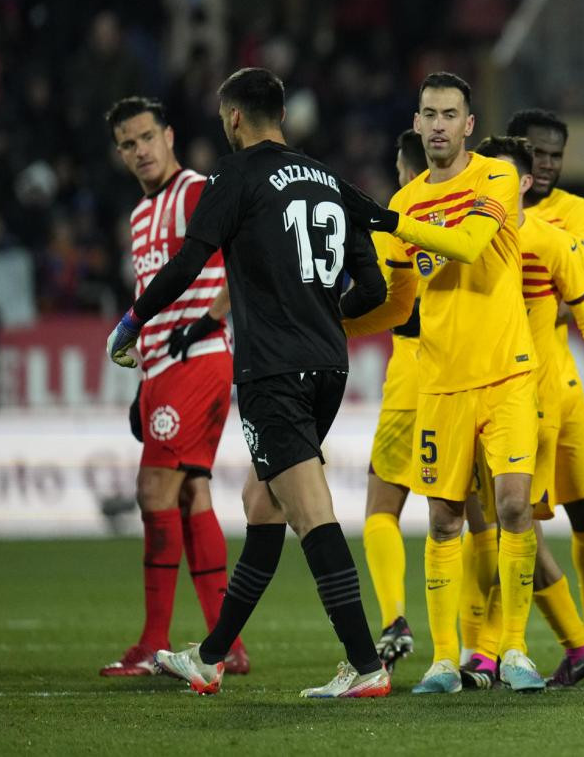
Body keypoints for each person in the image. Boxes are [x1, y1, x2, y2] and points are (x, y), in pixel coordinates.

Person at [105, 67, 389, 698]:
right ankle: (209, 657)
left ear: (232, 118)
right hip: (329, 366)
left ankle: (366, 666)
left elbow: (186, 264)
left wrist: (132, 321)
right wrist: (320, 313)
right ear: (281, 114)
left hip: (274, 372)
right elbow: (373, 290)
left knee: (312, 513)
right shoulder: (329, 181)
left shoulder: (233, 175)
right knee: (261, 504)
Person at [339, 72, 545, 693]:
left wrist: (392, 221)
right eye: (427, 113)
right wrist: (329, 325)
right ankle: (443, 660)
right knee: (444, 520)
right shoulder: (403, 205)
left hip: (507, 371)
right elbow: (399, 305)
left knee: (512, 505)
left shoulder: (494, 178)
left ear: (468, 125)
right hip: (439, 382)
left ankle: (514, 649)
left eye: (448, 114)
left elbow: (469, 243)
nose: (436, 125)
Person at [456, 136, 584, 689]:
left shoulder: (545, 240)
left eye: (505, 177)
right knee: (490, 523)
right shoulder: (470, 238)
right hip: (478, 394)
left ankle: (539, 646)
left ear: (527, 183)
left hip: (529, 400)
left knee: (508, 525)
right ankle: (499, 650)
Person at [98, 96, 247, 679]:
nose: (139, 151)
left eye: (145, 138)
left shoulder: (195, 191)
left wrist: (209, 320)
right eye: (127, 144)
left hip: (201, 358)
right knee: (191, 495)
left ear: (168, 134)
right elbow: (153, 300)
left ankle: (150, 644)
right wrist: (144, 380)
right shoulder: (139, 217)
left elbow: (242, 257)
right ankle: (227, 644)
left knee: (153, 491)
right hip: (162, 368)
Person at [505, 109, 584, 678]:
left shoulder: (575, 212)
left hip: (564, 381)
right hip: (513, 382)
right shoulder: (490, 213)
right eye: (537, 153)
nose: (548, 163)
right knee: (513, 517)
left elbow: (570, 293)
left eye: (556, 154)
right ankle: (510, 643)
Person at [356, 129, 427, 671]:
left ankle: (394, 617)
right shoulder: (476, 210)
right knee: (468, 518)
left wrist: (336, 325)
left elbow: (392, 304)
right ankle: (483, 650)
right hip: (469, 376)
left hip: (410, 378)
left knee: (382, 508)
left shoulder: (396, 214)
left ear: (403, 169)